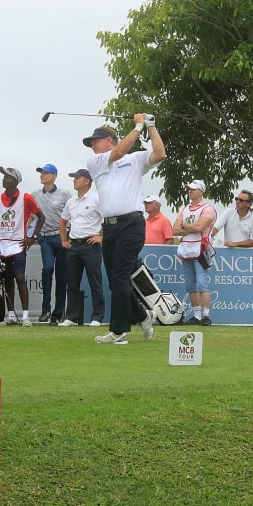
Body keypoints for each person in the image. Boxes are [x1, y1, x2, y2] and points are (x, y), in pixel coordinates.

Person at [83, 114, 166, 345]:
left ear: (109, 139)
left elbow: (160, 153)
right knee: (116, 280)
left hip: (131, 224)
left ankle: (119, 332)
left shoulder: (136, 159)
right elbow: (118, 153)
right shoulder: (96, 163)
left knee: (119, 276)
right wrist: (138, 125)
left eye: (95, 141)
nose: (92, 146)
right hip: (109, 228)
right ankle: (142, 315)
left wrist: (150, 126)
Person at [0, 166, 44, 326]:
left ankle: (26, 316)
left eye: (8, 177)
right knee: (7, 280)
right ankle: (11, 315)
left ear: (15, 181)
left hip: (18, 244)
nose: (4, 179)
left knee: (19, 277)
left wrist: (32, 237)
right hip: (1, 245)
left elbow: (41, 217)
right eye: (4, 177)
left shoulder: (25, 198)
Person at [57, 169, 106, 328]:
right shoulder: (71, 201)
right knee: (72, 282)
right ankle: (71, 316)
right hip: (74, 245)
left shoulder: (97, 199)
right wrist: (64, 240)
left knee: (95, 282)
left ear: (86, 181)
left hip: (91, 245)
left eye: (77, 178)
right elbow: (63, 222)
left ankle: (97, 317)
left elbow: (110, 218)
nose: (74, 180)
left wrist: (101, 237)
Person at [173, 180, 217, 325]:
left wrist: (184, 226)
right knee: (191, 285)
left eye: (193, 189)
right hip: (186, 249)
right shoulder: (185, 208)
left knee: (202, 284)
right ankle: (196, 315)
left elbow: (199, 227)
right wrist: (189, 227)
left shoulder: (208, 208)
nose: (190, 191)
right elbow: (174, 229)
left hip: (201, 249)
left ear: (201, 191)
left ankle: (206, 315)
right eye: (189, 189)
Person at [33, 163, 71, 324]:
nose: (42, 175)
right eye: (41, 173)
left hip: (61, 238)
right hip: (45, 238)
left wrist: (70, 238)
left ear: (54, 176)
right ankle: (45, 310)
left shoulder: (64, 194)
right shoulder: (34, 195)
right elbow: (29, 215)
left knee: (62, 276)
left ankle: (57, 313)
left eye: (46, 173)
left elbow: (72, 214)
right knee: (47, 269)